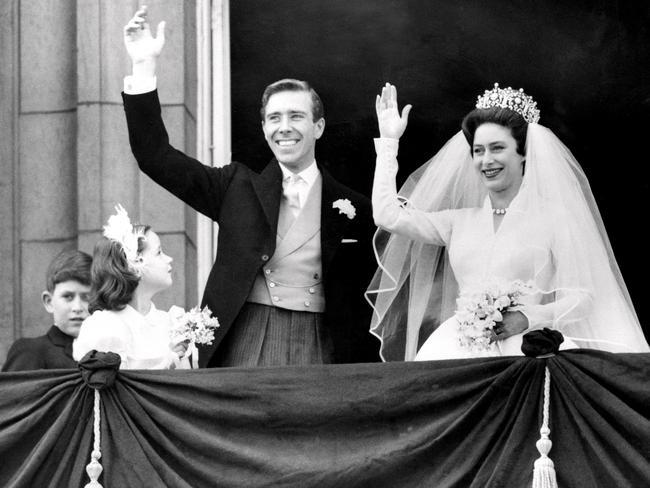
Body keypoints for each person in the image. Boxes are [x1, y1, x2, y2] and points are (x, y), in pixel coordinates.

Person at [120, 6, 380, 367]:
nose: (284, 127)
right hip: (248, 337)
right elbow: (154, 156)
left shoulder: (354, 206)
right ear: (263, 129)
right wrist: (143, 66)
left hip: (324, 344)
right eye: (274, 118)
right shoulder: (235, 187)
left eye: (296, 116)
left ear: (318, 126)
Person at [367, 82, 650, 361]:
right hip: (459, 345)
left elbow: (582, 296)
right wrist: (389, 143)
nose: (486, 160)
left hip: (528, 350)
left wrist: (528, 317)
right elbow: (387, 216)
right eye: (478, 151)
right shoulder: (457, 222)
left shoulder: (553, 219)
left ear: (523, 152)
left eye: (497, 148)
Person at [73, 206, 191, 369]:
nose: (169, 259)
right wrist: (167, 363)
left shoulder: (171, 323)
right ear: (134, 266)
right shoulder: (104, 326)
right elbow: (110, 390)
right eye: (159, 252)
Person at [2, 250, 92, 371]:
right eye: (68, 297)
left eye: (86, 297)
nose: (77, 308)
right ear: (49, 301)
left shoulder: (108, 353)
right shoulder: (31, 352)